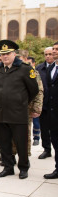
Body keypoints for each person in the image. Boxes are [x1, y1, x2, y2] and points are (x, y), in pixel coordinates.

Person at [0, 40, 38, 179]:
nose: (5, 57)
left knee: (21, 143)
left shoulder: (25, 69)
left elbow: (34, 90)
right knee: (4, 143)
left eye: (8, 54)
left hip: (18, 112)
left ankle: (23, 167)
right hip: (1, 112)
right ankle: (8, 167)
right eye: (2, 54)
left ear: (14, 54)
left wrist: (22, 102)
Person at [36, 47, 55, 159]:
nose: (48, 56)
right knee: (44, 129)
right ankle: (46, 149)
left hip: (55, 104)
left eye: (50, 54)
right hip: (44, 104)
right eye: (46, 54)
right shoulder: (39, 68)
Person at [44, 41, 58, 179]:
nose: (54, 51)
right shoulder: (51, 68)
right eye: (53, 49)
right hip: (52, 114)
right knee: (55, 143)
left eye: (56, 49)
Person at [27, 56, 43, 146]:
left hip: (31, 105)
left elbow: (39, 91)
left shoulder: (34, 73)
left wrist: (37, 107)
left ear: (33, 63)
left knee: (35, 123)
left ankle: (36, 137)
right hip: (17, 108)